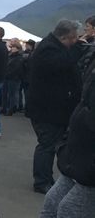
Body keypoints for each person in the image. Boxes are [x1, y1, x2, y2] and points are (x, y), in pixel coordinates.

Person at [27, 20, 82, 194]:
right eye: (74, 38)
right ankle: (41, 181)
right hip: (47, 110)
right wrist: (77, 50)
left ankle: (45, 179)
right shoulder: (48, 49)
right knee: (47, 145)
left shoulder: (51, 46)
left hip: (50, 108)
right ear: (65, 37)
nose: (75, 41)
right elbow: (62, 64)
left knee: (49, 144)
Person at [39, 44, 95, 216]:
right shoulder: (90, 55)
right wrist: (65, 144)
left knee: (69, 209)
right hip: (77, 154)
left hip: (89, 164)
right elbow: (83, 103)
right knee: (52, 202)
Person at [2, 38, 25, 116]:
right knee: (5, 93)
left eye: (14, 47)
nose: (12, 49)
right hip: (7, 77)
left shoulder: (19, 57)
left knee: (12, 94)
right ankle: (4, 108)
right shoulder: (10, 55)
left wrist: (8, 73)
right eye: (12, 47)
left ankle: (11, 109)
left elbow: (17, 68)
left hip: (14, 78)